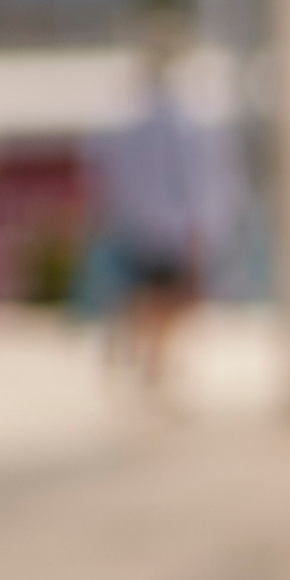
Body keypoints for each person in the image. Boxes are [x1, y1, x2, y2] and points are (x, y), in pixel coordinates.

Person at [92, 36, 229, 405]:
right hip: (168, 224)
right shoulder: (181, 123)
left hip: (140, 223)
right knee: (170, 297)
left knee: (156, 296)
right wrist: (200, 225)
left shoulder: (131, 122)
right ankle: (155, 361)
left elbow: (108, 174)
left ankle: (151, 356)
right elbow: (195, 180)